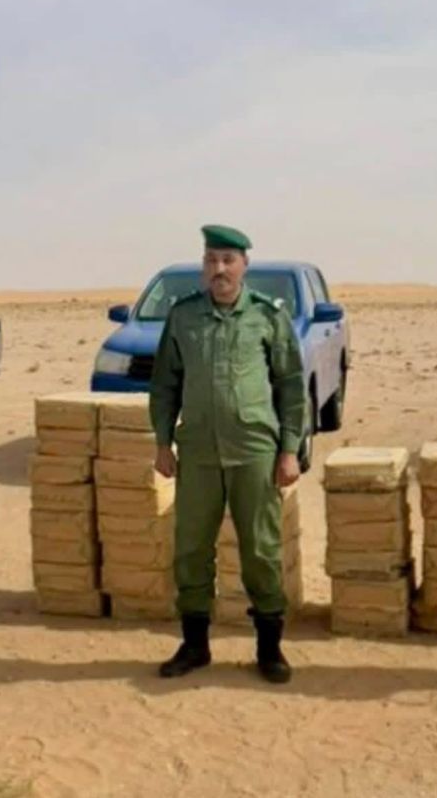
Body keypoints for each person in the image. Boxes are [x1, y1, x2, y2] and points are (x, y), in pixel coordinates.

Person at [149, 224, 306, 684]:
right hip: (198, 450)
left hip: (254, 450)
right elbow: (165, 382)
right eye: (210, 259)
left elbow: (291, 386)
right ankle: (195, 645)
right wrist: (162, 441)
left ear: (244, 266)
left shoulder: (267, 316)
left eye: (227, 260)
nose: (218, 268)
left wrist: (289, 450)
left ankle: (269, 648)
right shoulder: (183, 316)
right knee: (192, 549)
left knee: (261, 549)